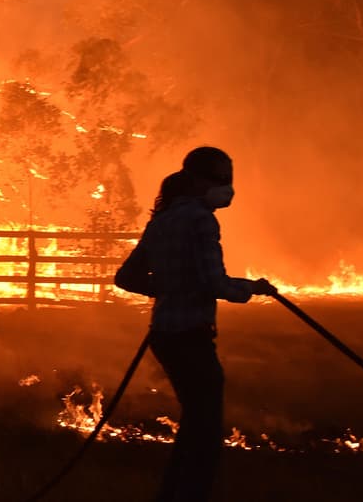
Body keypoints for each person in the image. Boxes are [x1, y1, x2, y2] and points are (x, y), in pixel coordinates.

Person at [114, 146, 276, 502]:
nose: (227, 186)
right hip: (191, 336)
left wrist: (168, 287)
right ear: (198, 180)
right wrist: (250, 289)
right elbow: (213, 282)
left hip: (165, 335)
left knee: (194, 423)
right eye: (221, 179)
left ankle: (171, 495)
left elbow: (126, 277)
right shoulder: (202, 219)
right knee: (204, 432)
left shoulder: (162, 220)